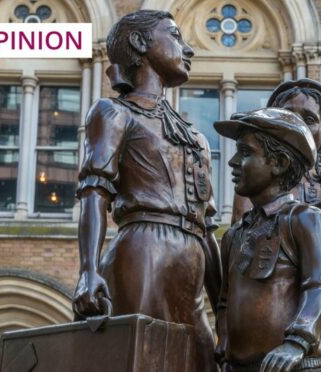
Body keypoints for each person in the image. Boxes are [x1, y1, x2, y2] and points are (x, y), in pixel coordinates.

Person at [71, 10, 219, 371]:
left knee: (204, 360)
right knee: (145, 359)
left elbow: (208, 225)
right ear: (140, 43)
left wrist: (224, 308)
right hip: (144, 250)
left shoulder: (194, 135)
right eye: (175, 36)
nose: (188, 50)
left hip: (191, 257)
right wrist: (88, 271)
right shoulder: (113, 112)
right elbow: (95, 190)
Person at [232, 78, 321, 347]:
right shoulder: (253, 189)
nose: (299, 124)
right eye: (289, 115)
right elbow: (240, 255)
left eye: (309, 118)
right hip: (268, 311)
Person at [215, 108, 321, 372]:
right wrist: (225, 341)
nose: (233, 162)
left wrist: (297, 342)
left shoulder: (304, 219)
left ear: (279, 163)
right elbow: (225, 301)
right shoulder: (234, 235)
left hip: (298, 364)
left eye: (246, 152)